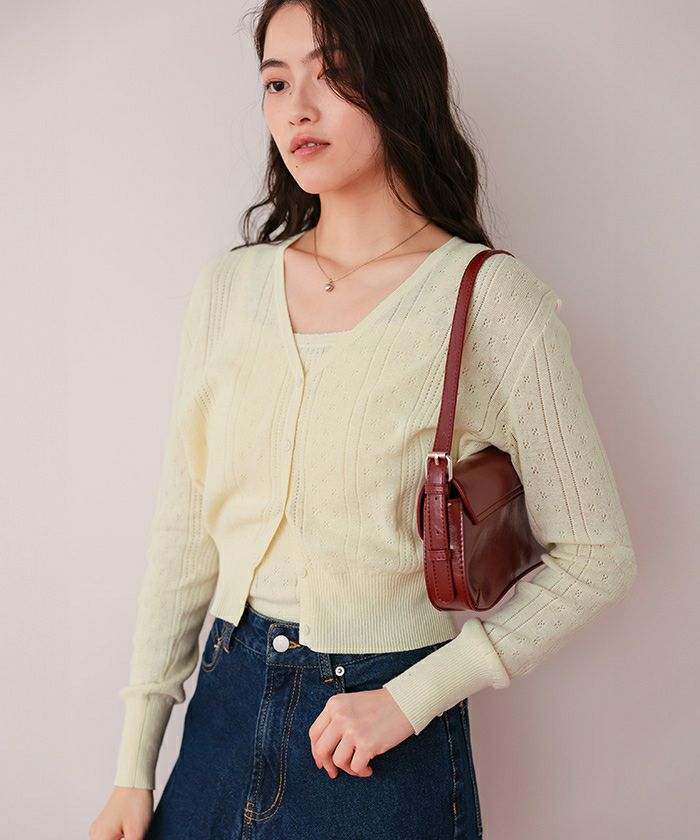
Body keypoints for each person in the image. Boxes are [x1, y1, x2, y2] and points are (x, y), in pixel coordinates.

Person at [89, 1, 637, 838]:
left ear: (398, 82)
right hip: (219, 718)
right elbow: (184, 535)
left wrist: (411, 698)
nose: (298, 109)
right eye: (277, 83)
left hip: (380, 744)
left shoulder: (491, 302)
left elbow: (597, 556)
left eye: (333, 73)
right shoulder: (229, 291)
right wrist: (134, 766)